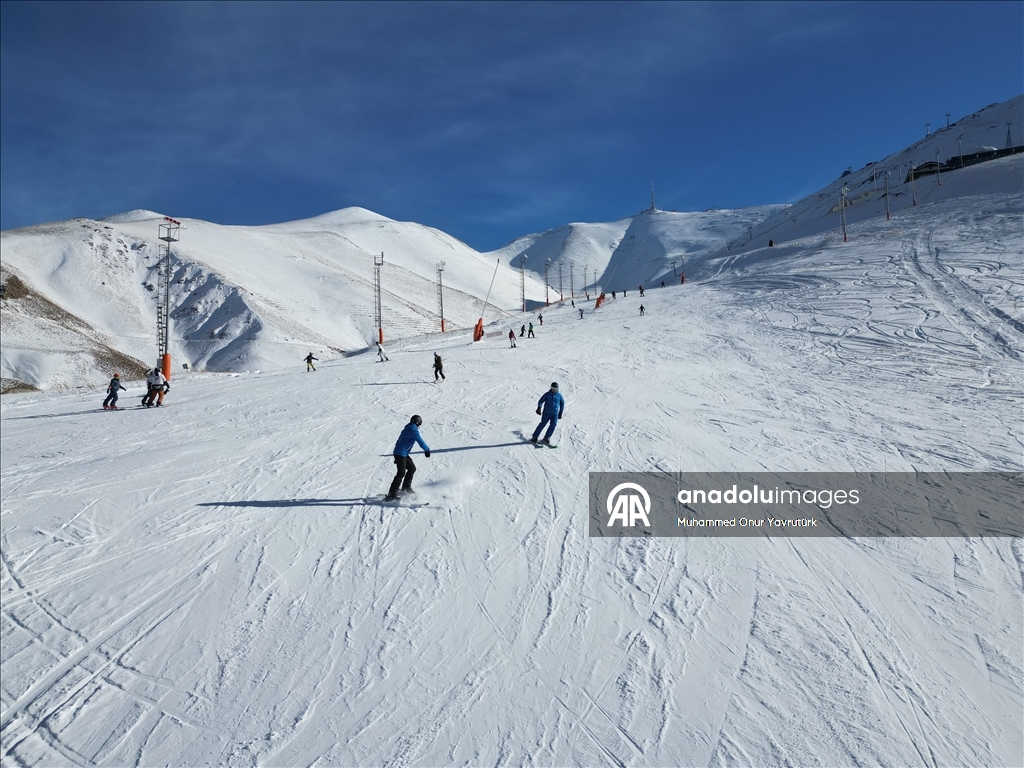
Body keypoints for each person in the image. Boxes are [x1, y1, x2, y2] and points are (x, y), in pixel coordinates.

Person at [385, 415, 430, 501]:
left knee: (412, 468)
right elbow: (420, 441)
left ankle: (406, 488)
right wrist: (427, 450)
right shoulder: (413, 430)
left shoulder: (407, 428)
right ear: (418, 422)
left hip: (401, 453)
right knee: (401, 473)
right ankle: (392, 494)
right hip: (401, 453)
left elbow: (399, 440)